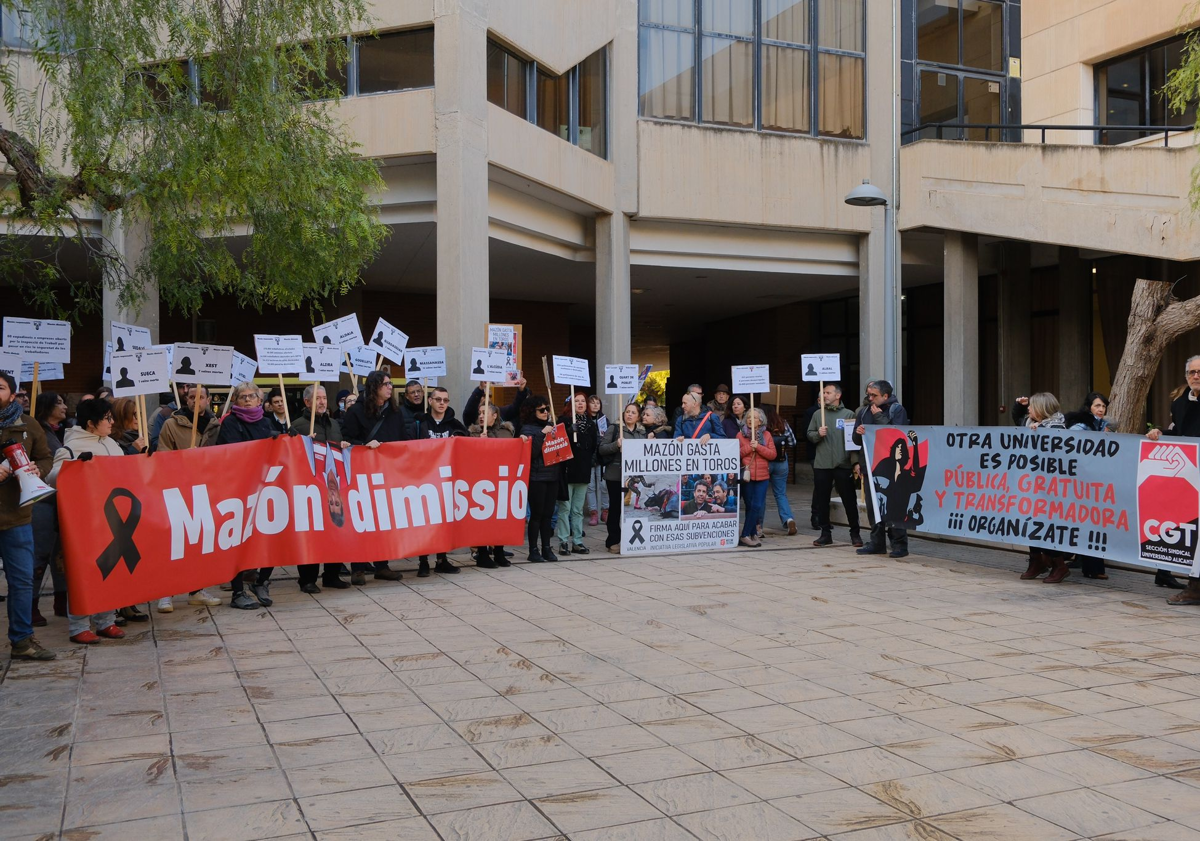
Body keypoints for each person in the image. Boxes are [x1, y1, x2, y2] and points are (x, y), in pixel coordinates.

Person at [44, 398, 127, 643]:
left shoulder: (113, 444)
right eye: (107, 418)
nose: (112, 422)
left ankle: (106, 621)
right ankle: (79, 625)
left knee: (111, 571)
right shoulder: (70, 448)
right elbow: (51, 479)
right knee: (83, 573)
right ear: (91, 423)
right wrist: (75, 467)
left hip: (112, 520)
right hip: (83, 523)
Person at [153, 386, 225, 611]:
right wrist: (184, 459)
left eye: (200, 397)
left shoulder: (216, 426)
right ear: (186, 400)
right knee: (174, 542)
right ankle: (166, 592)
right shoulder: (171, 425)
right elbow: (162, 456)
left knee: (199, 542)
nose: (196, 401)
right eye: (192, 397)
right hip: (177, 490)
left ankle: (197, 589)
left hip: (205, 491)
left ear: (208, 400)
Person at [0, 374, 56, 659]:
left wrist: (38, 469)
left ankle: (22, 641)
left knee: (22, 581)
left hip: (17, 517)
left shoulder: (29, 425)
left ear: (12, 395)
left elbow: (47, 457)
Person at [217, 382, 282, 608]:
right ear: (235, 400)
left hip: (265, 488)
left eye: (251, 396)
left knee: (271, 536)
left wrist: (284, 439)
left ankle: (261, 581)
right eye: (242, 396)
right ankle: (237, 592)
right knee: (239, 542)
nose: (246, 400)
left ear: (259, 399)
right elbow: (234, 453)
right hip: (239, 491)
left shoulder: (266, 423)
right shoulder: (230, 424)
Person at [341, 370, 407, 584]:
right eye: (386, 384)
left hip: (387, 474)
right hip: (363, 474)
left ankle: (382, 565)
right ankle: (358, 568)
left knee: (384, 520)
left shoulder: (395, 413)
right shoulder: (356, 412)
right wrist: (364, 447)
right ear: (374, 387)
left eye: (391, 383)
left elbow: (403, 439)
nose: (390, 387)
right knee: (362, 520)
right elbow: (347, 441)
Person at [1146, 356, 1200, 600]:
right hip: (1188, 478)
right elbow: (1179, 434)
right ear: (1186, 376)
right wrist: (1160, 432)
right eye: (1192, 372)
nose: (1196, 376)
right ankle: (1194, 586)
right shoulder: (1179, 404)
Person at [290, 384, 352, 593]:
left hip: (333, 488)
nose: (322, 402)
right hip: (310, 487)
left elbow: (340, 449)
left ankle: (331, 575)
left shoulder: (334, 423)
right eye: (317, 398)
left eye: (324, 398)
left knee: (335, 530)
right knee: (313, 532)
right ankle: (307, 579)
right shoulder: (298, 425)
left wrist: (344, 445)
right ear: (307, 402)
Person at [1009, 392, 1072, 583]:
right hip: (1031, 486)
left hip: (1050, 489)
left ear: (1042, 409)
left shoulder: (1058, 428)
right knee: (1031, 522)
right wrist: (1019, 405)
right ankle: (1037, 561)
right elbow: (1018, 419)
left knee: (1046, 524)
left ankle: (1059, 565)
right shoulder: (1029, 424)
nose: (1029, 409)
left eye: (1032, 406)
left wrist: (1042, 432)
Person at [414, 387, 469, 575]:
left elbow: (467, 443)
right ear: (430, 401)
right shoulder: (419, 423)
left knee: (443, 521)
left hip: (446, 479)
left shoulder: (454, 424)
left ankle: (441, 559)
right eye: (438, 399)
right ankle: (423, 561)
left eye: (446, 400)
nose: (442, 403)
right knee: (424, 521)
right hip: (423, 478)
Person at [853, 379, 911, 558]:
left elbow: (897, 436)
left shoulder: (897, 410)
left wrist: (879, 417)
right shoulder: (863, 412)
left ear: (885, 396)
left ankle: (899, 544)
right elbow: (856, 442)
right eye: (868, 394)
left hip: (893, 468)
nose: (870, 398)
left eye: (874, 395)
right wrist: (858, 433)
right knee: (873, 507)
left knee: (894, 506)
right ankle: (877, 542)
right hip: (871, 466)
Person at [807, 384, 862, 547]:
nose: (824, 395)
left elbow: (853, 442)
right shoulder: (818, 414)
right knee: (822, 500)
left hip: (843, 464)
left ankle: (855, 533)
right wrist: (818, 434)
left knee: (849, 500)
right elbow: (809, 434)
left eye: (828, 392)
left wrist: (855, 462)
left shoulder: (848, 414)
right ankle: (825, 533)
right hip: (822, 464)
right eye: (823, 392)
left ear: (837, 395)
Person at [1066, 392, 1113, 581]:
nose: (1101, 410)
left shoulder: (1102, 426)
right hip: (1082, 484)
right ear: (1089, 408)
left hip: (1095, 483)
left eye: (1103, 406)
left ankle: (1091, 566)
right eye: (1097, 406)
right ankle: (1091, 567)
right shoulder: (1080, 428)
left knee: (1095, 523)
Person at [30, 392, 67, 626]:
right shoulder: (36, 432)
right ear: (47, 407)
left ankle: (61, 600)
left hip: (59, 499)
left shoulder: (61, 431)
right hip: (41, 501)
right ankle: (30, 604)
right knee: (39, 554)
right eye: (59, 403)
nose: (64, 407)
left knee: (61, 554)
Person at [468, 403, 515, 569]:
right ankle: (482, 553)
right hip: (482, 483)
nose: (481, 416)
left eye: (485, 413)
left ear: (495, 415)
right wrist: (480, 444)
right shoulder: (473, 433)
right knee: (483, 519)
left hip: (501, 481)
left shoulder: (505, 433)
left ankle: (499, 551)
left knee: (500, 517)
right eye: (479, 412)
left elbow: (510, 454)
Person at [598, 402, 645, 554]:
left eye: (633, 412)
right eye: (627, 412)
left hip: (633, 477)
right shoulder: (615, 429)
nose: (629, 414)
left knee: (630, 508)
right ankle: (613, 540)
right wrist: (616, 445)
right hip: (615, 475)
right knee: (615, 509)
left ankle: (630, 538)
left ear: (638, 416)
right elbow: (602, 449)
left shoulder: (642, 433)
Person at [556, 391, 598, 556]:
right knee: (565, 508)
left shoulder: (590, 423)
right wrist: (567, 430)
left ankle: (577, 541)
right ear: (571, 404)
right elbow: (557, 442)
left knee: (578, 509)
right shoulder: (563, 421)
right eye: (577, 401)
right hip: (567, 469)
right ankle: (563, 541)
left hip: (583, 469)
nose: (580, 404)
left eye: (582, 401)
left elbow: (594, 445)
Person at [519, 396, 561, 563]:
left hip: (552, 475)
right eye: (541, 410)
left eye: (546, 409)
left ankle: (546, 548)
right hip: (537, 476)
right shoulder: (527, 429)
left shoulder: (552, 427)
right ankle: (533, 550)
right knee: (536, 515)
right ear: (532, 411)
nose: (545, 412)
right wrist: (541, 434)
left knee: (548, 515)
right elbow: (532, 453)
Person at [737, 408, 776, 547]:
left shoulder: (767, 435)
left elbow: (772, 454)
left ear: (760, 421)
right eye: (748, 417)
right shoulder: (740, 435)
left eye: (753, 418)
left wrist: (758, 447)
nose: (749, 420)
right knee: (749, 506)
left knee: (756, 506)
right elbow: (737, 453)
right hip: (747, 476)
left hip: (762, 476)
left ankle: (745, 534)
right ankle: (752, 533)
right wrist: (749, 447)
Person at [760, 408, 798, 536]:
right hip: (782, 461)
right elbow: (793, 443)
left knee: (761, 494)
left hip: (765, 461)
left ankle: (759, 525)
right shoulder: (783, 423)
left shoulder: (761, 426)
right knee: (781, 493)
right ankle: (788, 519)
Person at [585, 394, 609, 527]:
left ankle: (605, 510)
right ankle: (593, 512)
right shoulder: (584, 420)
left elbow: (606, 438)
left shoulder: (605, 420)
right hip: (588, 458)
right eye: (592, 403)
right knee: (590, 487)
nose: (595, 405)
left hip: (602, 457)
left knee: (604, 486)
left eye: (598, 403)